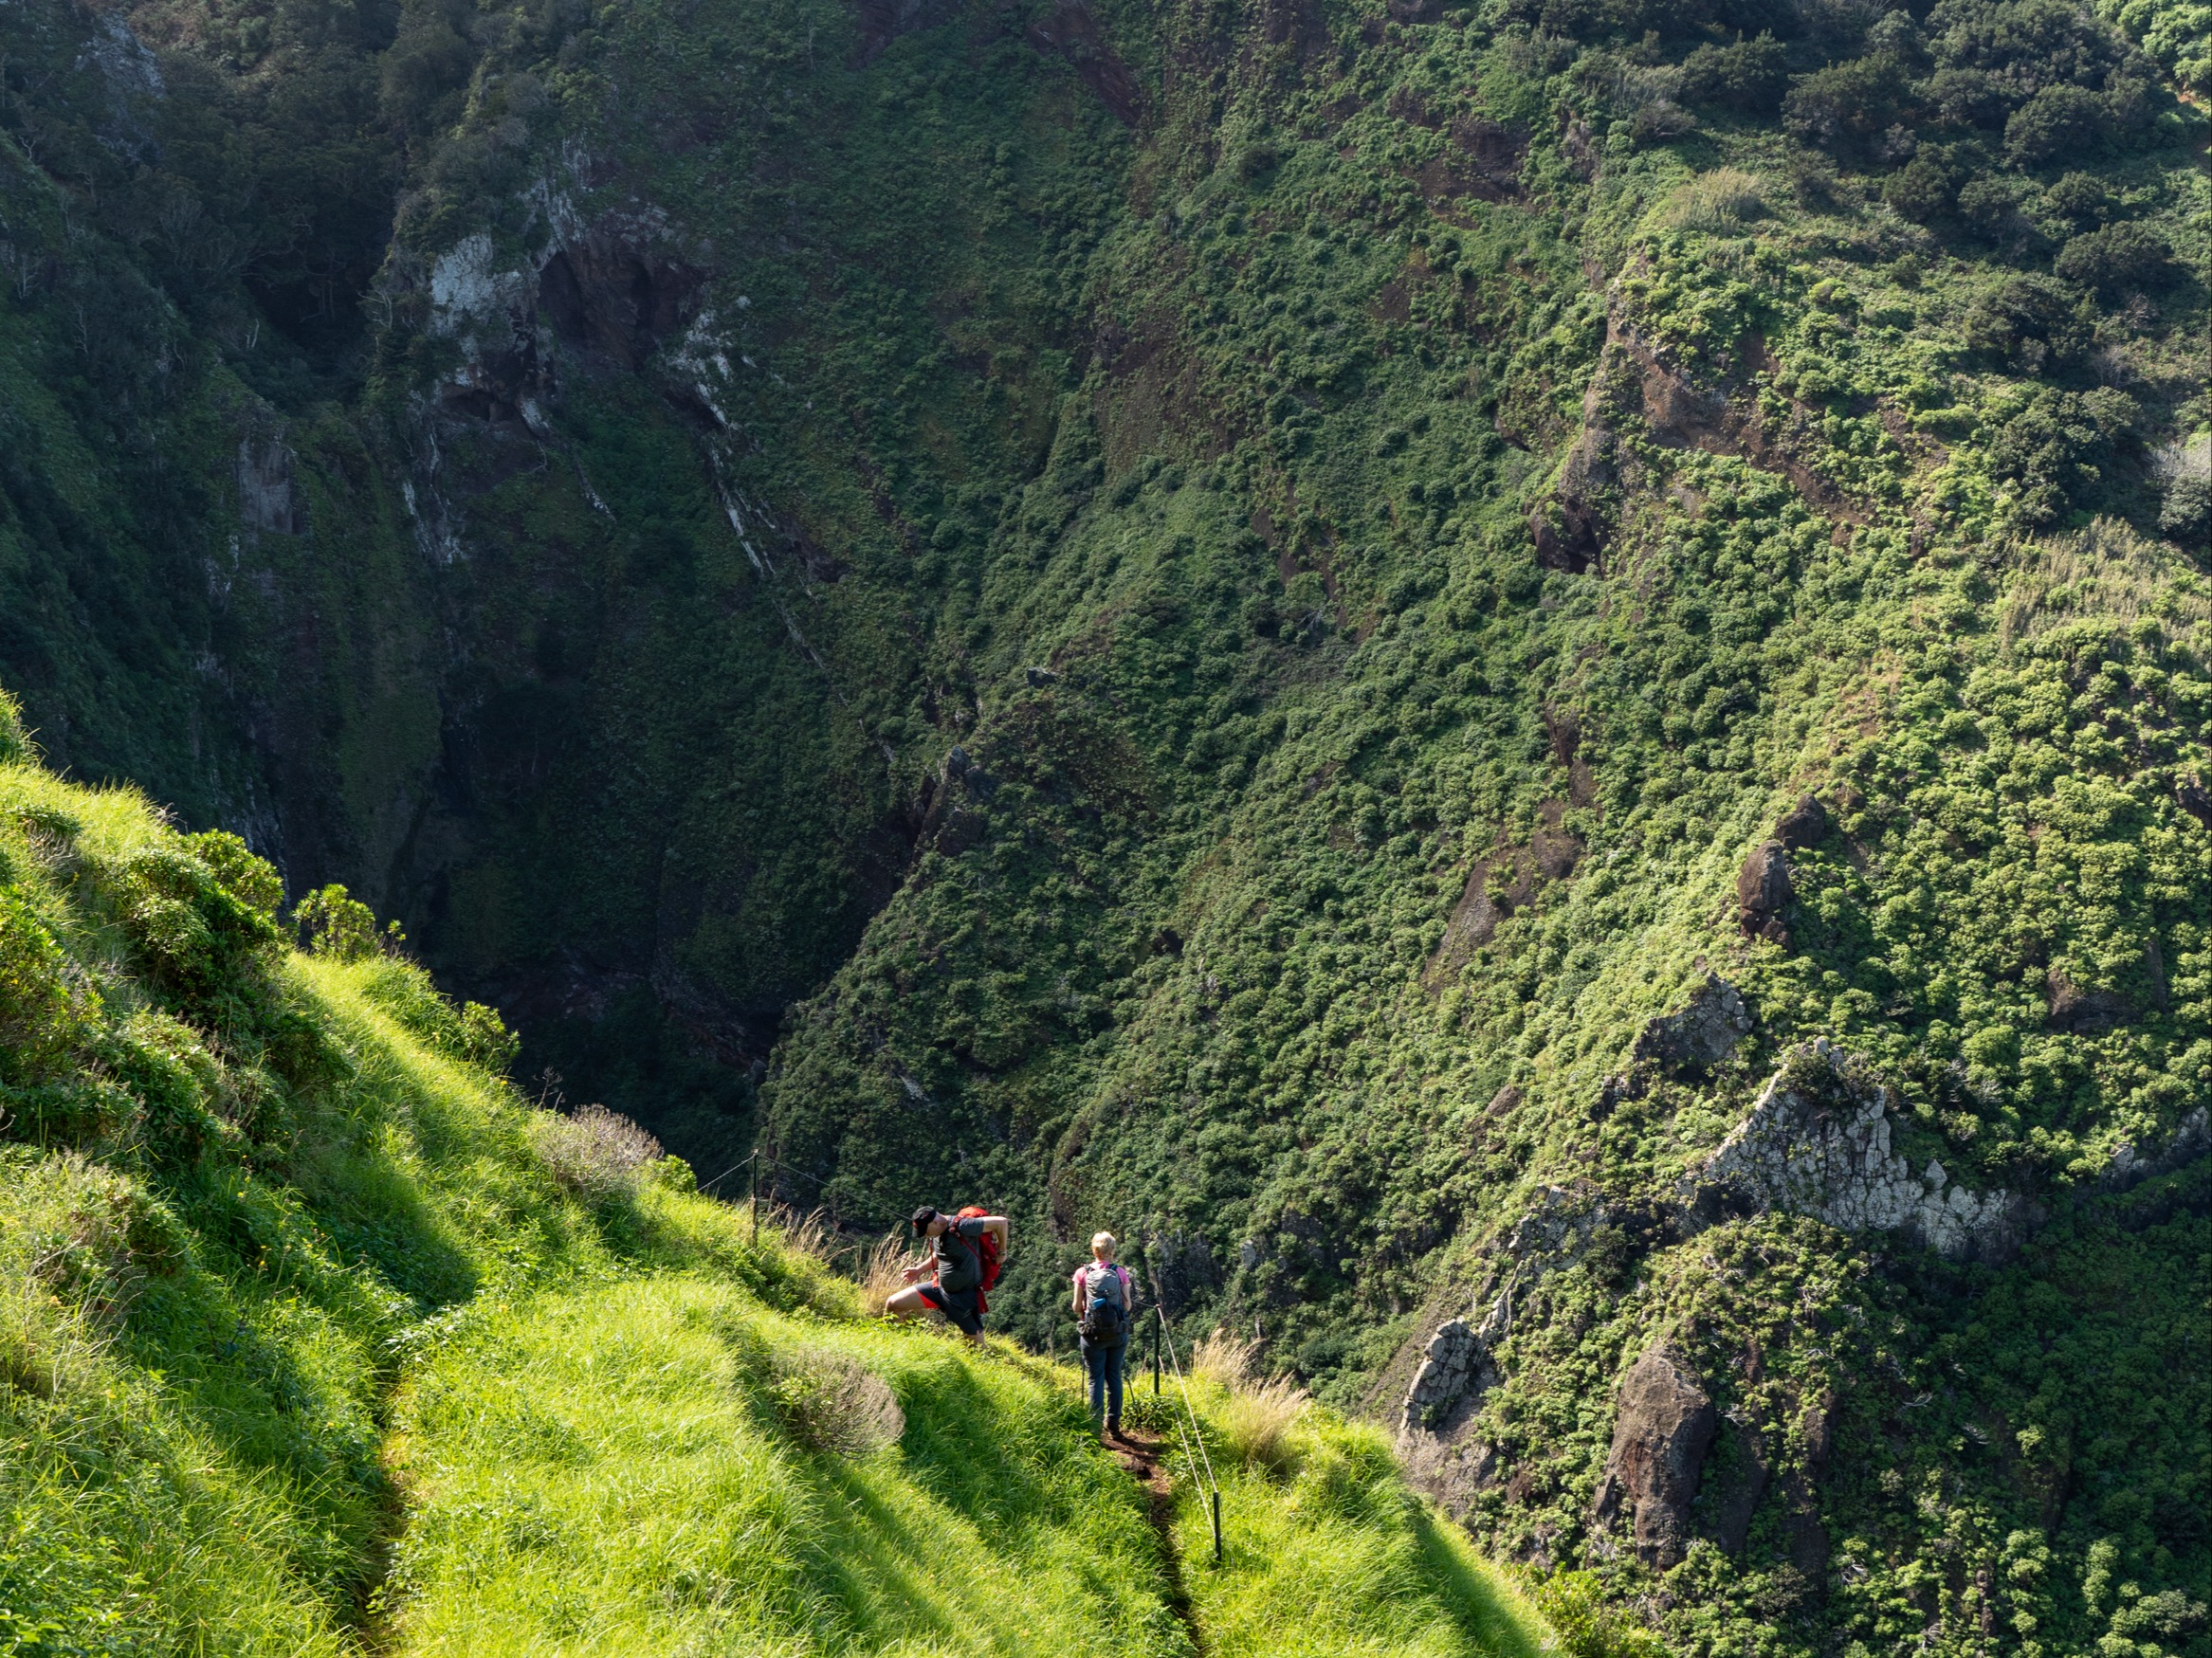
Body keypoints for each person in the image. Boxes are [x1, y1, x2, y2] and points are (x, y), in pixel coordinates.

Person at [885, 1205, 1007, 1349]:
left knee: (977, 1349)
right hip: (939, 1289)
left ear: (936, 1222)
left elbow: (1001, 1222)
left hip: (962, 1298)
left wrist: (1001, 1251)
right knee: (893, 1304)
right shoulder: (938, 1233)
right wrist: (919, 1270)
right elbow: (942, 1253)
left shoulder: (962, 1226)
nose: (925, 1235)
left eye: (925, 1230)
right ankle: (892, 1347)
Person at [1072, 1230, 1135, 1439]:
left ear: (1094, 1250)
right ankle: (1114, 1423)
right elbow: (1127, 1306)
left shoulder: (1082, 1273)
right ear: (1112, 1251)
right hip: (1117, 1333)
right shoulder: (1120, 1273)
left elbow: (1075, 1307)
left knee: (1095, 1379)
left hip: (1092, 1334)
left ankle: (1095, 1426)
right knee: (1114, 1376)